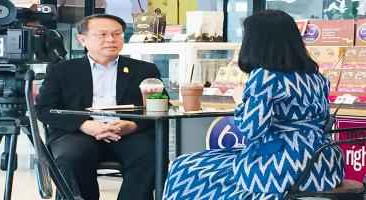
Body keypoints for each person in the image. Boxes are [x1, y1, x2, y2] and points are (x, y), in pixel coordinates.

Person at [162, 10, 344, 199]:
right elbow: (323, 121)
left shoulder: (264, 76)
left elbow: (251, 129)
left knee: (183, 166)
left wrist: (241, 100)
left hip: (283, 165)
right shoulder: (317, 77)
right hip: (324, 163)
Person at [36, 14, 164, 200]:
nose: (111, 39)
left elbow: (161, 107)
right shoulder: (62, 70)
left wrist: (132, 125)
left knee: (151, 155)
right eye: (102, 34)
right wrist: (84, 124)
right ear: (83, 39)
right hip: (78, 133)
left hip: (127, 133)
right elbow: (45, 109)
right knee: (71, 156)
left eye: (117, 34)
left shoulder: (144, 70)